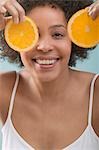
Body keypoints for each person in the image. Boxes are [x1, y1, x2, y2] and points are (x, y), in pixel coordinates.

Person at [0, 0, 99, 150]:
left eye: (58, 34)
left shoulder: (96, 94)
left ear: (73, 39)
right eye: (33, 33)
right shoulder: (5, 90)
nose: (44, 46)